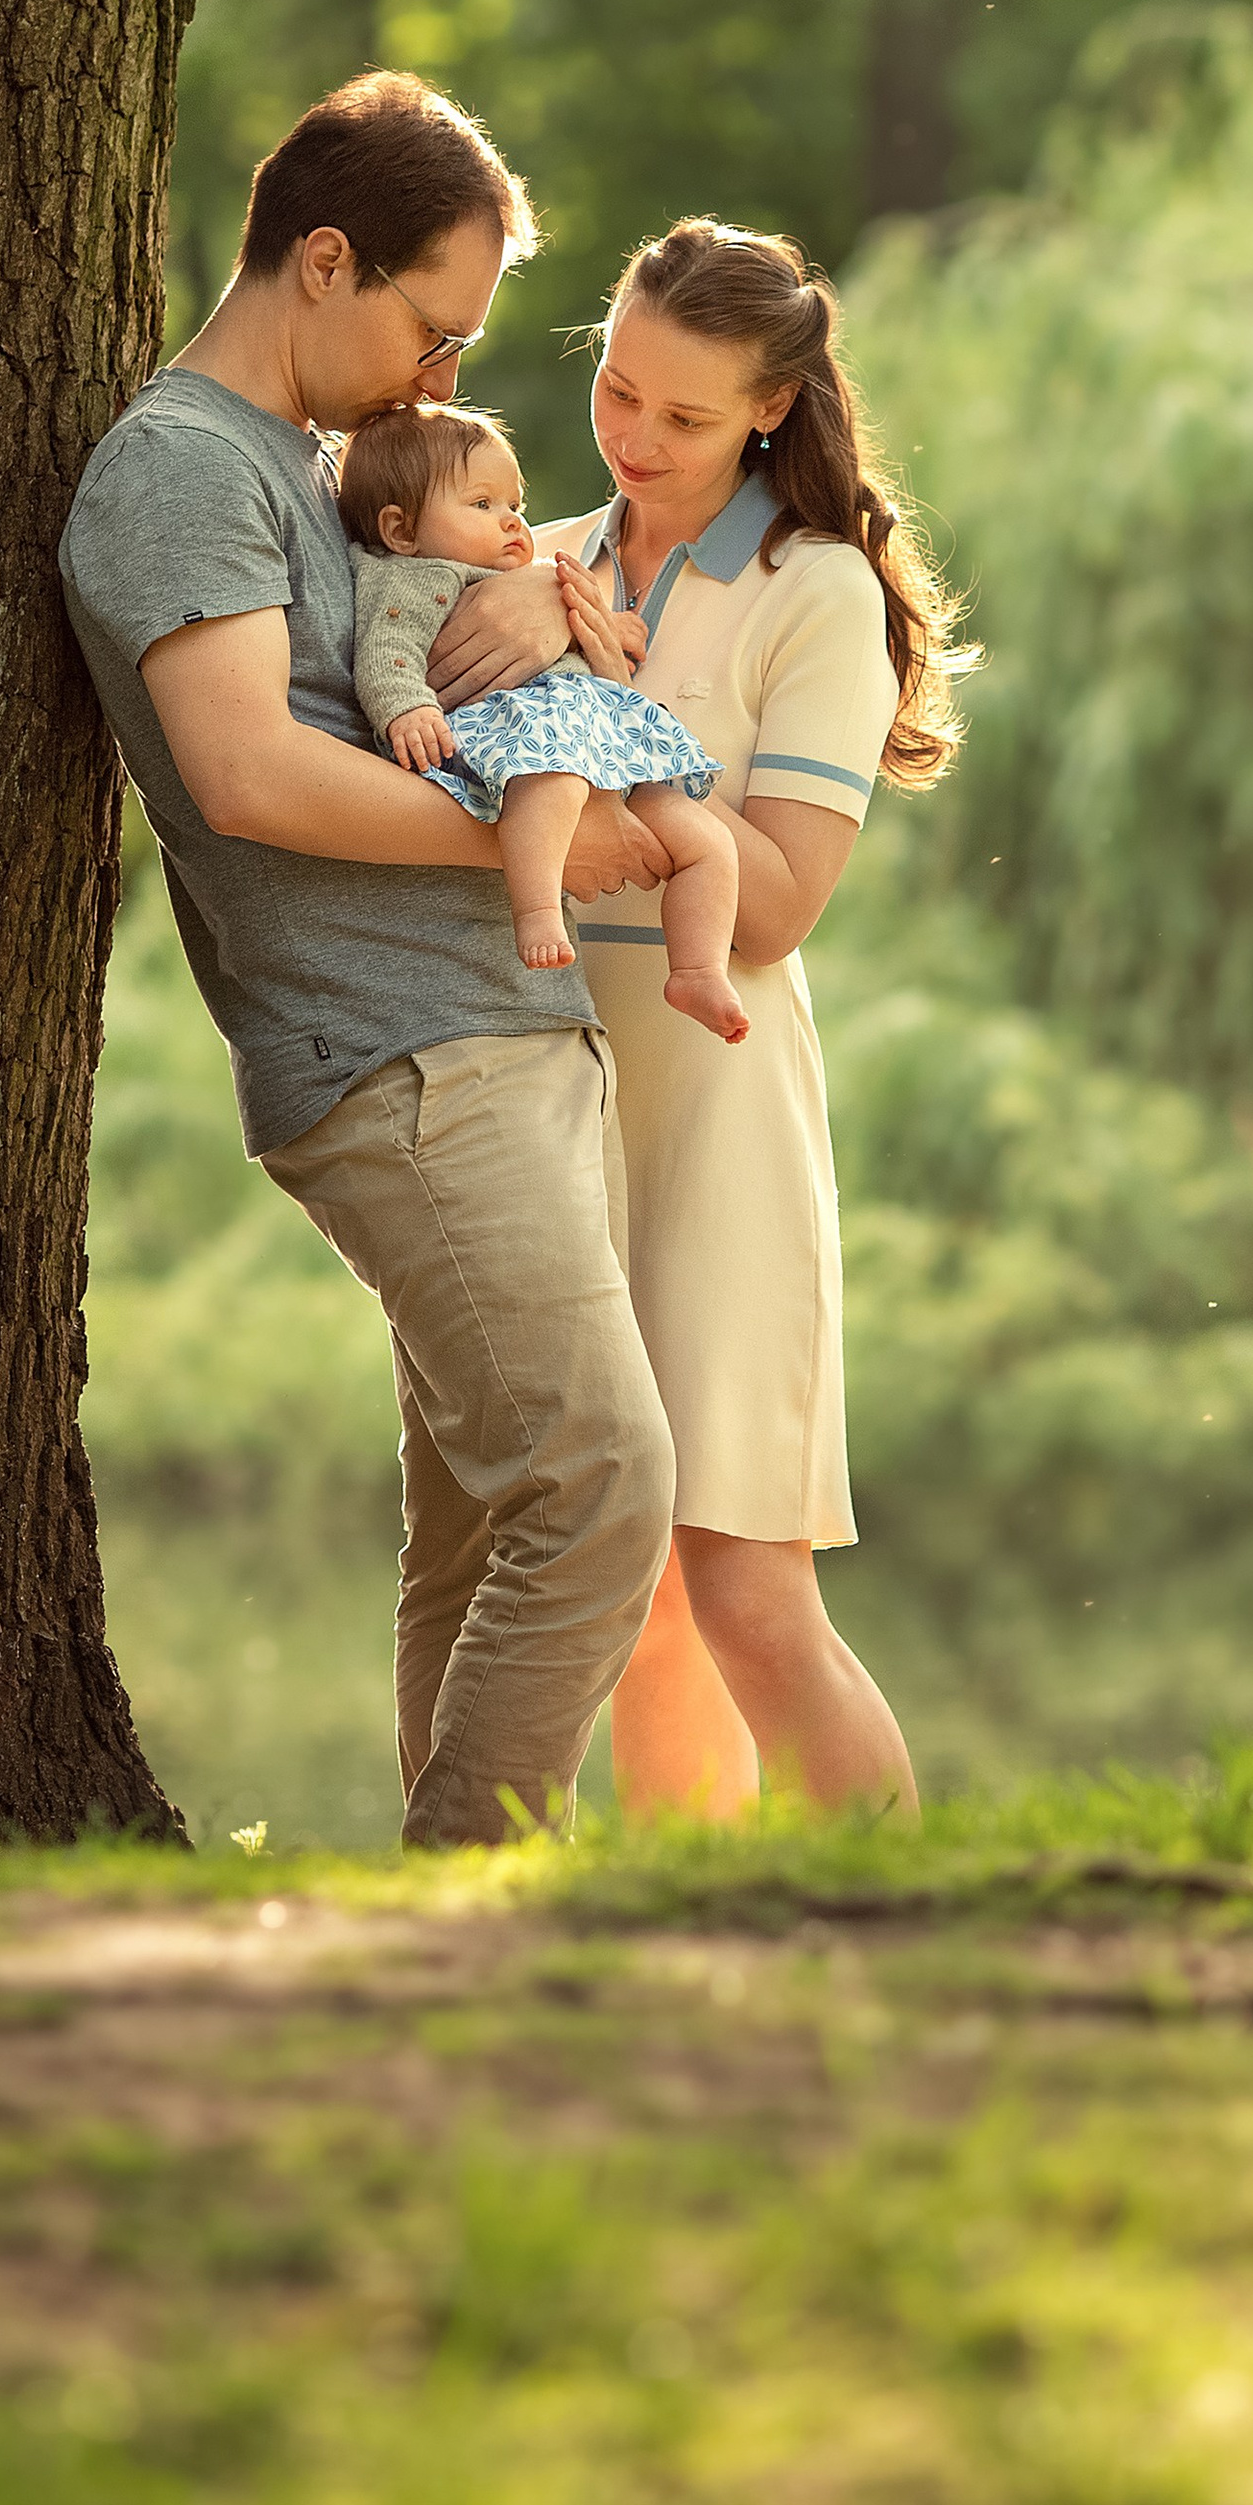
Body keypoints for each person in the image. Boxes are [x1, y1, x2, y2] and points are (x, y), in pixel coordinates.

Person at [57, 72, 676, 1848]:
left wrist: (543, 603)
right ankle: (483, 1881)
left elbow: (425, 649)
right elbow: (247, 773)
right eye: (431, 325)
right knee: (603, 1483)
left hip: (500, 1035)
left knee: (486, 1525)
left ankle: (439, 1932)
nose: (445, 378)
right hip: (401, 1064)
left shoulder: (325, 477)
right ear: (321, 262)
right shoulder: (181, 470)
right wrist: (548, 839)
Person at [524, 218, 969, 1821]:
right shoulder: (547, 558)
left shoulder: (818, 594)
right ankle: (685, 1921)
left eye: (686, 418)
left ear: (773, 409)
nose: (635, 440)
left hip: (714, 1092)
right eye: (618, 390)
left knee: (745, 1590)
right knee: (623, 1588)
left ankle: (909, 1920)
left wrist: (575, 824)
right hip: (552, 1086)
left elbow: (774, 905)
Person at [336, 398, 748, 1042]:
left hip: (598, 748)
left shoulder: (532, 576)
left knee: (708, 842)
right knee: (550, 784)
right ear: (399, 530)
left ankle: (697, 967)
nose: (511, 522)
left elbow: (572, 628)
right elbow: (386, 653)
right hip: (521, 740)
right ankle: (536, 911)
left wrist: (607, 628)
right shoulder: (414, 579)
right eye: (482, 506)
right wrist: (406, 706)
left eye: (514, 505)